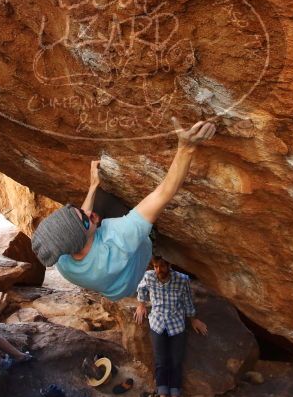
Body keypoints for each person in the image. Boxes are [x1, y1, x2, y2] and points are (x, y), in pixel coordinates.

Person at [31, 118, 216, 301]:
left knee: (98, 201)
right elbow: (163, 194)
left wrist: (93, 185)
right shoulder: (117, 241)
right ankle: (153, 240)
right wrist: (186, 148)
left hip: (116, 289)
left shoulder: (62, 261)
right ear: (79, 239)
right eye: (86, 220)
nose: (88, 213)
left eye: (74, 211)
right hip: (131, 264)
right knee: (120, 210)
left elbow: (79, 227)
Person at [135, 255, 208, 397]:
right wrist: (141, 305)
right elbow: (141, 289)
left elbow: (188, 301)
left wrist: (193, 318)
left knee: (176, 363)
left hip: (177, 326)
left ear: (169, 264)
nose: (158, 270)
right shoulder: (149, 276)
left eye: (161, 266)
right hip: (157, 324)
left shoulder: (182, 279)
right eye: (155, 267)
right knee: (161, 362)